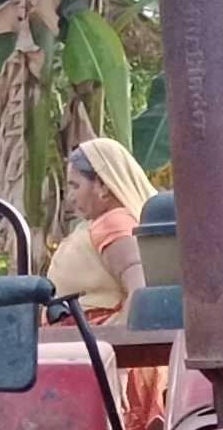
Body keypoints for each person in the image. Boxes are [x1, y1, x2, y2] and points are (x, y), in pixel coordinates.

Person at [48, 135, 151, 318]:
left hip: (99, 342)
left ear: (102, 185)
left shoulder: (114, 223)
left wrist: (120, 342)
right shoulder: (96, 225)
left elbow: (140, 291)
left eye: (76, 186)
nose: (71, 197)